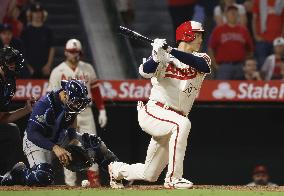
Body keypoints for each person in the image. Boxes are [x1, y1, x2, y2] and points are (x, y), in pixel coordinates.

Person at [108, 21, 211, 189]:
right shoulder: (163, 57)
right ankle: (173, 178)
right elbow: (144, 72)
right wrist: (156, 56)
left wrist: (171, 51)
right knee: (183, 124)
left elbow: (203, 67)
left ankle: (116, 170)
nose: (200, 39)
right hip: (155, 112)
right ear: (187, 35)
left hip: (173, 120)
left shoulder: (201, 58)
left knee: (150, 174)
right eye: (198, 35)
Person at [0, 79, 122, 188]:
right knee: (43, 177)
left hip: (59, 137)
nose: (78, 105)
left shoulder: (71, 103)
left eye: (80, 102)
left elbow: (72, 119)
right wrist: (55, 148)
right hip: (38, 142)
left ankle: (119, 173)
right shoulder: (45, 104)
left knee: (94, 143)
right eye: (76, 102)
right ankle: (17, 174)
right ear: (65, 94)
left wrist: (73, 139)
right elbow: (32, 134)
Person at [47, 39, 107, 187]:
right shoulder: (57, 71)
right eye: (71, 52)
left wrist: (102, 110)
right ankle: (70, 183)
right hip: (66, 113)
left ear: (80, 53)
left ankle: (94, 180)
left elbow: (95, 90)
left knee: (92, 146)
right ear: (66, 52)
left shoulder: (87, 68)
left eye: (76, 52)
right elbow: (51, 96)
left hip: (85, 112)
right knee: (68, 147)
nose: (74, 55)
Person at [0, 46, 35, 174]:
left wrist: (26, 109)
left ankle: (5, 174)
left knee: (12, 130)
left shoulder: (9, 83)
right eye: (10, 62)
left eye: (15, 62)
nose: (13, 65)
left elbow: (3, 118)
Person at [208, 5, 253, 79]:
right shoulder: (218, 30)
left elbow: (250, 49)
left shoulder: (244, 30)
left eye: (235, 12)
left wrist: (245, 64)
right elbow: (210, 49)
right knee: (223, 89)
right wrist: (215, 65)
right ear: (226, 15)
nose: (233, 14)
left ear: (238, 15)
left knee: (238, 89)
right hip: (224, 66)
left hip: (240, 66)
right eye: (230, 12)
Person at [21, 3, 54, 78]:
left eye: (39, 12)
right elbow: (22, 50)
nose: (37, 15)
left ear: (43, 14)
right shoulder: (25, 31)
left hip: (45, 69)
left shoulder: (48, 31)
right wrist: (27, 67)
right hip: (29, 69)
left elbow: (52, 48)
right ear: (31, 14)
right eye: (35, 12)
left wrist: (48, 65)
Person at [252, 0, 284, 68]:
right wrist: (255, 35)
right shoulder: (258, 1)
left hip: (277, 42)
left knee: (277, 67)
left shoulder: (282, 2)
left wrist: (282, 37)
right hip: (262, 41)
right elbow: (254, 19)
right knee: (262, 67)